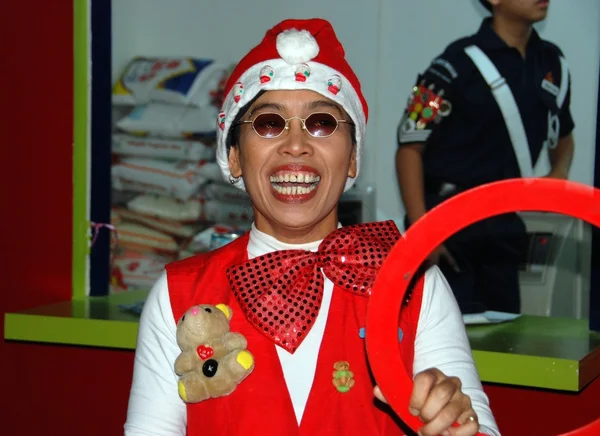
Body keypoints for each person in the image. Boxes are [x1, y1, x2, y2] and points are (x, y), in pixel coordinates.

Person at [125, 18, 500, 436]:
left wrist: (457, 425)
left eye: (321, 122)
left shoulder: (417, 286)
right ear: (233, 157)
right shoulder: (179, 295)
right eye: (269, 123)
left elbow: (475, 426)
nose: (296, 144)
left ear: (353, 158)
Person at [396, 0, 575, 314]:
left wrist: (559, 171)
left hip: (504, 229)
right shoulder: (454, 64)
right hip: (447, 228)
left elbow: (564, 135)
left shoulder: (552, 63)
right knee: (444, 343)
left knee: (505, 340)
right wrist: (423, 234)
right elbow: (410, 147)